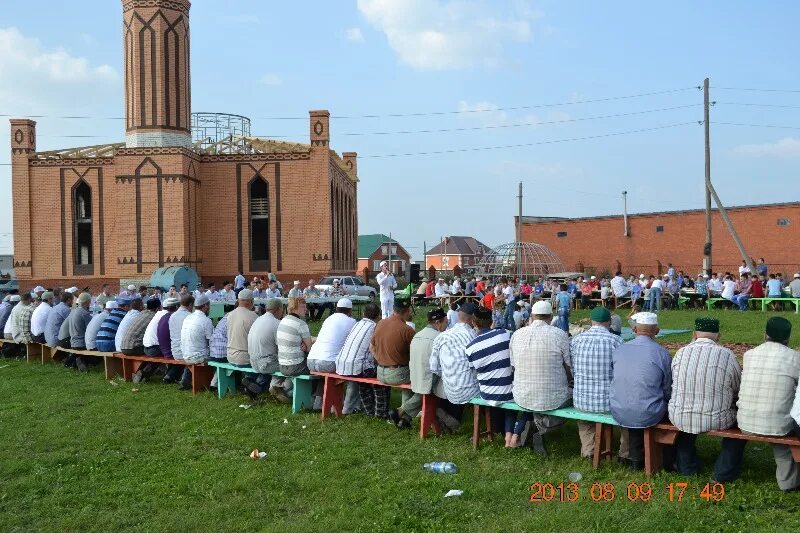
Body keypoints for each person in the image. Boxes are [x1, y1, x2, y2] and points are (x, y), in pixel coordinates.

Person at [668, 317, 744, 480]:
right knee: (742, 422)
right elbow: (738, 388)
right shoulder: (727, 355)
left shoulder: (680, 353)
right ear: (718, 336)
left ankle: (686, 465)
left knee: (688, 417)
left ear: (694, 334)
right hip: (717, 419)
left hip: (679, 416)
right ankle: (723, 473)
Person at [737, 317, 800, 492]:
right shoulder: (795, 358)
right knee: (782, 438)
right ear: (788, 339)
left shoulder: (749, 354)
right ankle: (788, 483)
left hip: (744, 422)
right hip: (778, 425)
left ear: (765, 335)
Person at [609, 312, 672, 470]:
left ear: (634, 330)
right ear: (657, 331)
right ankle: (664, 459)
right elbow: (667, 387)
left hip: (618, 408)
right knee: (656, 405)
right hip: (648, 412)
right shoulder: (662, 354)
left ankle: (636, 458)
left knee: (637, 402)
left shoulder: (620, 349)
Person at [509, 300, 571, 454]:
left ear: (532, 316)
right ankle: (541, 429)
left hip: (522, 395)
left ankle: (532, 427)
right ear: (550, 317)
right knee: (573, 398)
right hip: (554, 398)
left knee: (536, 397)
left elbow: (514, 365)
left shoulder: (517, 334)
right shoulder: (559, 334)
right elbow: (569, 366)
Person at [570, 306, 626, 460]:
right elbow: (621, 373)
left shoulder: (576, 340)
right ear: (609, 322)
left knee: (585, 421)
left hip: (581, 401)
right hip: (609, 403)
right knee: (629, 412)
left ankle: (589, 451)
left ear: (590, 321)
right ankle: (625, 454)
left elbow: (573, 369)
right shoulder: (617, 341)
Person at [466, 306, 521, 447]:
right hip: (510, 391)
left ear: (473, 323)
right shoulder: (506, 334)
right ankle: (511, 435)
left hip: (487, 394)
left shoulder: (470, 348)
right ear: (491, 321)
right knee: (514, 394)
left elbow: (474, 371)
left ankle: (506, 435)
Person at [430, 302, 479, 425]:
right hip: (470, 390)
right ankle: (453, 419)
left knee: (453, 377)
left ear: (458, 316)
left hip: (449, 390)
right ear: (474, 319)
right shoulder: (473, 337)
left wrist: (449, 373)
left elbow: (434, 368)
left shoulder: (441, 337)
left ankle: (447, 415)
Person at [371, 298, 417, 429]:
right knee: (423, 383)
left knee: (410, 379)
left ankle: (404, 419)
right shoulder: (406, 329)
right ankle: (402, 412)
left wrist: (380, 359)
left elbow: (371, 346)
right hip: (397, 373)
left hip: (380, 371)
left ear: (393, 309)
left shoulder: (380, 323)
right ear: (407, 311)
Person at [335, 303, 387, 417]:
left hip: (341, 364)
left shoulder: (356, 324)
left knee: (364, 377)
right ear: (378, 316)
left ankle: (367, 408)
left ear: (364, 313)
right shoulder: (375, 327)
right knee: (382, 375)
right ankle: (380, 411)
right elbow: (376, 350)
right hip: (358, 367)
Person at [248, 298, 291, 403]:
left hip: (253, 361)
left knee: (274, 359)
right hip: (267, 363)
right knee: (293, 366)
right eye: (282, 310)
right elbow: (283, 347)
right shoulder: (276, 323)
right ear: (278, 309)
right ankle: (283, 388)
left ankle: (257, 385)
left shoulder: (258, 319)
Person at [180, 294, 214, 389]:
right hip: (198, 357)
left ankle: (186, 380)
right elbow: (211, 342)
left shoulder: (188, 317)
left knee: (195, 351)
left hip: (185, 354)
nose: (209, 308)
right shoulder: (206, 320)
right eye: (209, 305)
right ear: (205, 306)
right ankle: (214, 384)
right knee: (220, 357)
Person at [277, 297, 314, 377]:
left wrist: (303, 344)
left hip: (282, 365)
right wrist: (306, 346)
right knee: (320, 370)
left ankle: (284, 386)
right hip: (296, 365)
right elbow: (309, 349)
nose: (306, 309)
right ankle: (315, 390)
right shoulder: (301, 323)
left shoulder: (283, 321)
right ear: (294, 307)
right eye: (303, 307)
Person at [226, 289, 258, 366]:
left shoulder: (230, 314)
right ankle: (250, 378)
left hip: (230, 356)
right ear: (250, 301)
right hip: (245, 358)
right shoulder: (253, 316)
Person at [166, 294, 194, 383]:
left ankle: (171, 375)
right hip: (185, 353)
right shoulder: (190, 316)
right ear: (190, 305)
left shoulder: (172, 315)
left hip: (174, 351)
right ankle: (186, 379)